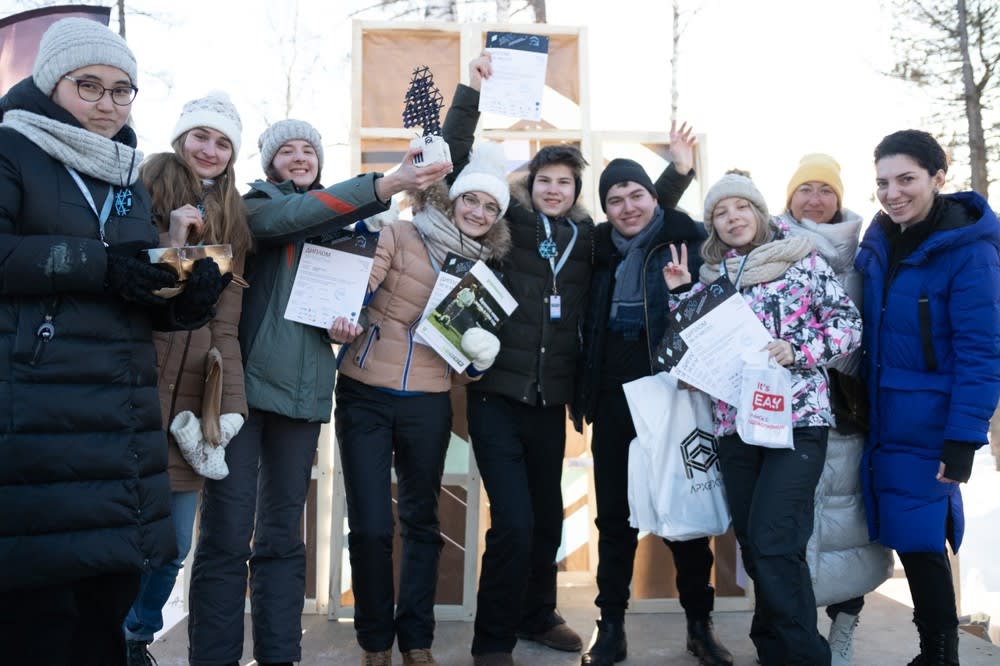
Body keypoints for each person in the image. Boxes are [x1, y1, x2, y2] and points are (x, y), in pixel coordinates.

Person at [443, 54, 698, 666]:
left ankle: (538, 615)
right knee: (514, 523)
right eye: (545, 181)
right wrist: (471, 92)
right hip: (495, 395)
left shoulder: (590, 241)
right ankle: (492, 641)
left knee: (547, 520)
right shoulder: (508, 226)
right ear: (528, 187)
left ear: (577, 194)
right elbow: (454, 161)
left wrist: (678, 173)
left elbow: (640, 216)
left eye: (565, 182)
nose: (554, 189)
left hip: (549, 400)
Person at [0, 18, 227, 665]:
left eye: (121, 90)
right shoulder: (11, 148)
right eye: (89, 86)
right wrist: (100, 264)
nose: (107, 104)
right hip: (38, 414)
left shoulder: (125, 174)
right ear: (52, 82)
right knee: (38, 614)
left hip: (119, 420)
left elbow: (128, 283)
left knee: (106, 604)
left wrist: (182, 300)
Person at [187, 119, 450, 666]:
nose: (300, 156)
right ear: (269, 164)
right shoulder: (254, 206)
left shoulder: (344, 230)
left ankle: (281, 656)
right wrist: (387, 183)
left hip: (304, 396)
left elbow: (346, 302)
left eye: (309, 149)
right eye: (287, 150)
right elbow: (294, 216)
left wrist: (346, 324)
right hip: (242, 395)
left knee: (283, 539)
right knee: (227, 536)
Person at [662, 172, 863, 665]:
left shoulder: (802, 260)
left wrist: (798, 349)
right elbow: (692, 350)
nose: (733, 218)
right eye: (720, 213)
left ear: (758, 211)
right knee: (756, 542)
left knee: (776, 537)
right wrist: (681, 294)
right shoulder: (713, 280)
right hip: (735, 424)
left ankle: (805, 656)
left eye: (741, 207)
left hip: (797, 421)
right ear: (713, 226)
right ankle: (774, 647)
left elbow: (848, 326)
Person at [335, 141, 511, 666]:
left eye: (490, 207)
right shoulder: (399, 233)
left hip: (429, 401)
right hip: (365, 391)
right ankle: (374, 641)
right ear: (452, 198)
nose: (477, 212)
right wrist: (345, 306)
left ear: (496, 219)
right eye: (471, 199)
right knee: (370, 525)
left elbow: (466, 360)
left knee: (421, 522)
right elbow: (358, 287)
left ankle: (416, 639)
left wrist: (479, 361)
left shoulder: (485, 272)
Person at [572, 159, 732, 666]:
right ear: (604, 209)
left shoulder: (685, 239)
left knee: (687, 515)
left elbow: (710, 312)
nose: (627, 208)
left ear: (654, 197)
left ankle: (699, 626)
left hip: (674, 398)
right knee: (614, 519)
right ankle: (611, 626)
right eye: (614, 200)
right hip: (614, 400)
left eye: (636, 195)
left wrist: (677, 173)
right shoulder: (597, 250)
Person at [855, 129, 1000, 665]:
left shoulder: (969, 252)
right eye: (883, 182)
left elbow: (982, 352)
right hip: (880, 414)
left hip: (928, 423)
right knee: (900, 535)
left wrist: (963, 437)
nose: (892, 193)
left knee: (921, 542)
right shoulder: (879, 241)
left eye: (906, 179)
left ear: (938, 177)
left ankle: (939, 653)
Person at [123, 91, 251, 666]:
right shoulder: (138, 191)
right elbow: (127, 287)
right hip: (132, 389)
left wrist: (233, 408)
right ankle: (108, 639)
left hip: (190, 405)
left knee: (174, 544)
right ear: (181, 138)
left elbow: (226, 325)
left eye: (223, 143)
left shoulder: (233, 220)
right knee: (120, 536)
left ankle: (136, 636)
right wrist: (172, 242)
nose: (210, 149)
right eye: (201, 136)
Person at [779, 153, 893, 665]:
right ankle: (796, 635)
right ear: (790, 197)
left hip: (849, 411)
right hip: (788, 412)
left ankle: (843, 628)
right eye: (806, 189)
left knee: (850, 528)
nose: (815, 199)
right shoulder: (770, 247)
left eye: (826, 190)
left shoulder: (865, 253)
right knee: (791, 530)